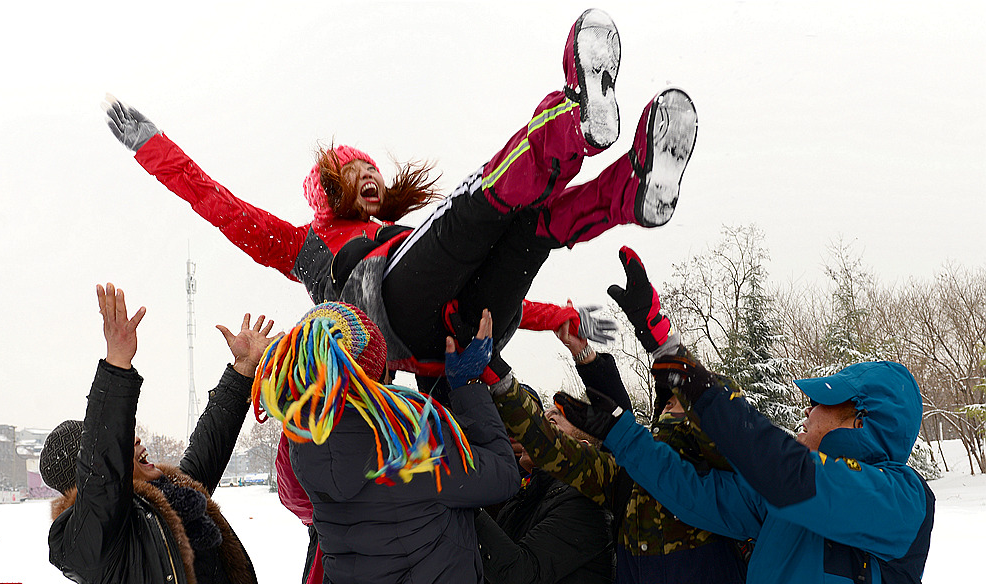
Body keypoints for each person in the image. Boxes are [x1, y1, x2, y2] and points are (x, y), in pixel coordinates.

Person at [101, 7, 694, 385]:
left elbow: (466, 273)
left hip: (464, 334)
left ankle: (628, 195)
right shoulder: (305, 245)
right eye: (354, 172)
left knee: (528, 230)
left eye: (373, 172)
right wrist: (150, 145)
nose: (371, 178)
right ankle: (573, 126)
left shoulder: (396, 234)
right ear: (331, 189)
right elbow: (216, 202)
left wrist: (567, 316)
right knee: (471, 209)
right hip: (389, 316)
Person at [564, 247, 936, 584]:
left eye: (824, 402)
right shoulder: (782, 498)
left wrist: (679, 362)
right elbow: (690, 491)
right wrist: (620, 433)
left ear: (860, 419)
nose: (808, 410)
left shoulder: (901, 500)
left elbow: (786, 469)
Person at [254, 301, 521, 584]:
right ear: (373, 370)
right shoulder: (410, 441)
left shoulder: (303, 446)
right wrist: (468, 386)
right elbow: (504, 475)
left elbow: (299, 500)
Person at [487, 305, 748, 584]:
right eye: (666, 403)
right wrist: (497, 376)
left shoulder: (728, 489)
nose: (666, 410)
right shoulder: (627, 482)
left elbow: (721, 422)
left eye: (679, 402)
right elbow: (551, 449)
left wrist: (664, 346)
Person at [42, 283, 278, 584]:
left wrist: (243, 370)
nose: (135, 440)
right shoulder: (89, 542)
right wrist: (117, 364)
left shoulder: (168, 497)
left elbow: (207, 448)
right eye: (122, 442)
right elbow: (102, 478)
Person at [474, 388, 615, 584]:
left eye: (550, 423)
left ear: (580, 448)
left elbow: (516, 573)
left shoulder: (586, 504)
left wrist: (465, 502)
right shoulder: (526, 495)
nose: (534, 431)